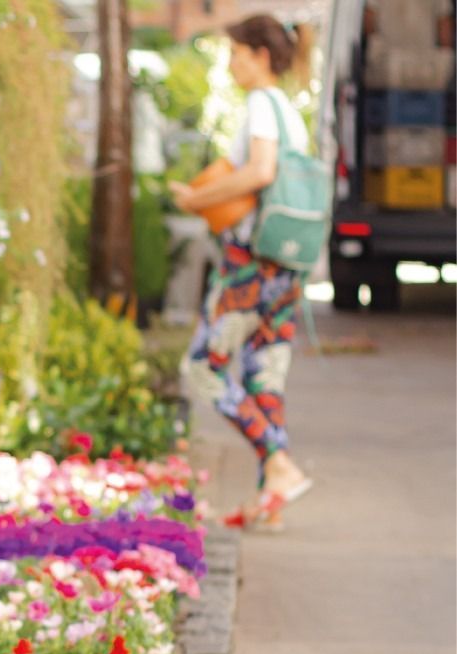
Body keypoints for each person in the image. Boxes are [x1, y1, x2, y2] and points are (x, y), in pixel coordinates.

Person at [170, 15, 314, 530]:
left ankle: (278, 464)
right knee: (263, 378)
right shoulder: (290, 110)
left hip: (250, 264)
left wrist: (197, 198)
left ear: (258, 55)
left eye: (235, 53)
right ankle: (270, 500)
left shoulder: (260, 105)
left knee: (203, 369)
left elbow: (260, 172)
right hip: (285, 264)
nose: (231, 63)